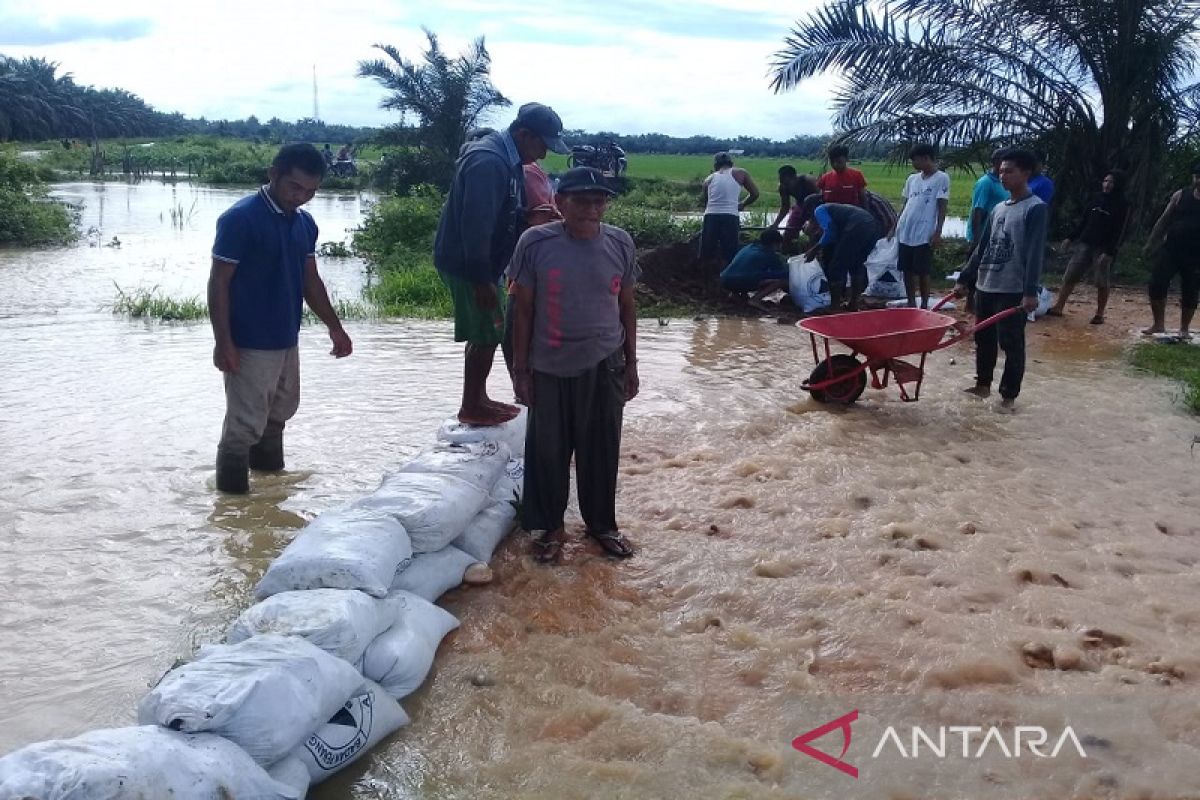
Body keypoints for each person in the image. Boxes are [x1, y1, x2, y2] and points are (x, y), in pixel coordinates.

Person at [507, 166, 640, 564]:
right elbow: (522, 310)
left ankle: (602, 526)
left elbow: (628, 307)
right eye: (581, 200)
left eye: (599, 200)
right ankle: (550, 527)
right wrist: (520, 369)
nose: (592, 208)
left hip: (605, 361)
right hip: (548, 363)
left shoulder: (620, 243)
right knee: (548, 450)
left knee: (602, 448)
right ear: (560, 203)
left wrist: (632, 363)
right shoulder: (534, 243)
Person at [208, 143, 353, 493]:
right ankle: (234, 507)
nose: (301, 197)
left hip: (286, 337)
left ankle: (269, 492)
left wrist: (335, 327)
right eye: (294, 187)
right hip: (249, 341)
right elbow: (218, 282)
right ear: (274, 175)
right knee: (242, 427)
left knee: (278, 415)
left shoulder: (304, 223)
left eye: (311, 191)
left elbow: (310, 280)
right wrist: (224, 342)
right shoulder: (240, 219)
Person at [434, 102, 570, 426]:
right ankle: (472, 404)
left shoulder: (506, 158)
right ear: (523, 135)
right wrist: (482, 280)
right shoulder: (489, 162)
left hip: (479, 261)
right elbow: (476, 225)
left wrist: (526, 217)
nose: (544, 156)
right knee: (487, 330)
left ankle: (477, 398)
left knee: (485, 331)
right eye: (542, 145)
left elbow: (496, 212)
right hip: (470, 263)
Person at [953, 149, 1047, 408]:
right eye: (1001, 170)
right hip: (986, 283)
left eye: (1009, 171)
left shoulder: (1035, 208)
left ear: (1026, 173)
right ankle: (983, 385)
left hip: (1013, 287)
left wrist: (1030, 291)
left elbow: (1035, 252)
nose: (1002, 175)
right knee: (983, 338)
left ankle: (1008, 396)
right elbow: (982, 248)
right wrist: (965, 279)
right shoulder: (998, 208)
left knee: (1011, 342)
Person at [1046, 170, 1131, 324]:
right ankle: (1059, 306)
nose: (1107, 184)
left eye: (1111, 182)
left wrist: (1110, 252)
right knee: (1070, 275)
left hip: (1104, 247)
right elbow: (1084, 221)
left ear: (1117, 185)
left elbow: (1120, 230)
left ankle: (1099, 314)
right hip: (1085, 243)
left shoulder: (1122, 204)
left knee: (1101, 281)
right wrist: (1070, 237)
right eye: (1105, 181)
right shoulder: (1096, 199)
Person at [1142, 164, 1200, 339]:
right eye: (1197, 176)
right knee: (1157, 283)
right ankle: (1158, 324)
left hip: (1196, 255)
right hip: (1171, 249)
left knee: (1191, 290)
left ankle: (1184, 329)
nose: (1199, 180)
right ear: (1193, 178)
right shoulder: (1180, 195)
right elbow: (1163, 220)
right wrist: (1150, 243)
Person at [890, 143, 949, 309]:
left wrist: (938, 231)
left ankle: (923, 304)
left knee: (923, 271)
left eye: (915, 160)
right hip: (906, 230)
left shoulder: (941, 178)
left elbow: (942, 205)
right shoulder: (912, 179)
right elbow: (906, 203)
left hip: (924, 232)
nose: (913, 164)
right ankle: (910, 302)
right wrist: (896, 225)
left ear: (926, 158)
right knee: (906, 270)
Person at [802, 194, 882, 312]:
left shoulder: (819, 210)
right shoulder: (836, 209)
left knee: (836, 267)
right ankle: (854, 303)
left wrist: (815, 249)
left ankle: (835, 306)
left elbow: (830, 232)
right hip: (872, 227)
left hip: (857, 227)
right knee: (856, 265)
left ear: (811, 208)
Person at [699, 152, 759, 269]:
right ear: (731, 163)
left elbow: (706, 203)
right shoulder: (741, 173)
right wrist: (742, 204)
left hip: (711, 216)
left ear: (716, 165)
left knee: (707, 249)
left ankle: (704, 276)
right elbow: (755, 194)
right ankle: (728, 275)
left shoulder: (708, 179)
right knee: (730, 250)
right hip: (730, 216)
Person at [719, 229, 789, 308]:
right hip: (740, 280)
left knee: (751, 274)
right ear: (774, 244)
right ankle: (755, 300)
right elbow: (782, 273)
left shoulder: (749, 247)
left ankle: (736, 295)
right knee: (780, 281)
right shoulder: (770, 254)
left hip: (724, 279)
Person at [967, 148, 1009, 252]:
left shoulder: (1004, 182)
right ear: (996, 161)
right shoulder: (985, 183)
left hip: (997, 234)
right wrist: (976, 240)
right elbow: (977, 211)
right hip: (983, 236)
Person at [773, 165, 819, 246]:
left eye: (787, 183)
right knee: (788, 233)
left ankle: (814, 252)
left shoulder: (808, 181)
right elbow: (785, 207)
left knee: (814, 232)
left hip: (817, 207)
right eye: (782, 182)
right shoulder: (783, 187)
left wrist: (812, 221)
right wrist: (775, 224)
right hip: (800, 206)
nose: (785, 185)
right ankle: (786, 251)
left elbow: (822, 200)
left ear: (795, 177)